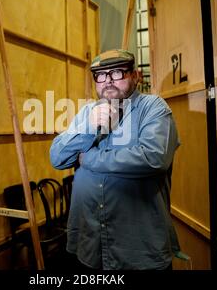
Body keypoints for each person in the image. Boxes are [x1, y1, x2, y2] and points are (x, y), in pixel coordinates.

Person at [49, 49, 180, 270]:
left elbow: (153, 158)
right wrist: (89, 127)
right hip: (90, 244)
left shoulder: (153, 108)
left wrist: (89, 159)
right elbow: (58, 158)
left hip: (139, 249)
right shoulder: (86, 113)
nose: (108, 80)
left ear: (136, 76)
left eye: (117, 72)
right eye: (101, 75)